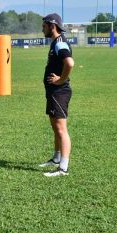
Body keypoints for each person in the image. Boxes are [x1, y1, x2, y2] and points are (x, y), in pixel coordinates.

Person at [38, 13, 74, 177]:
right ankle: (56, 158)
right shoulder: (56, 43)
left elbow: (70, 63)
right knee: (55, 127)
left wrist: (60, 80)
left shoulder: (60, 43)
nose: (42, 28)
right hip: (53, 92)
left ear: (52, 25)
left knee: (61, 129)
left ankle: (63, 168)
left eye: (44, 25)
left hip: (59, 92)